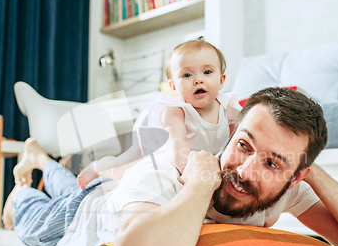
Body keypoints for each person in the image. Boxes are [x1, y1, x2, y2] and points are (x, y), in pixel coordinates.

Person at [4, 87, 338, 246]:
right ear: (232, 135)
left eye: (272, 163)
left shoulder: (289, 189)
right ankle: (26, 180)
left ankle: (42, 160)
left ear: (295, 176)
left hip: (108, 193)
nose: (244, 171)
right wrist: (199, 183)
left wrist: (314, 175)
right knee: (32, 211)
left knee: (67, 183)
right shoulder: (170, 170)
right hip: (77, 218)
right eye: (243, 145)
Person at [76, 39, 241, 189]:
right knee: (119, 170)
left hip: (195, 157)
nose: (198, 80)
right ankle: (97, 167)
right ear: (174, 87)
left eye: (207, 72)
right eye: (187, 75)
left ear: (221, 80)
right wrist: (191, 175)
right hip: (153, 149)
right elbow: (176, 142)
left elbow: (235, 140)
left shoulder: (228, 107)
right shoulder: (176, 110)